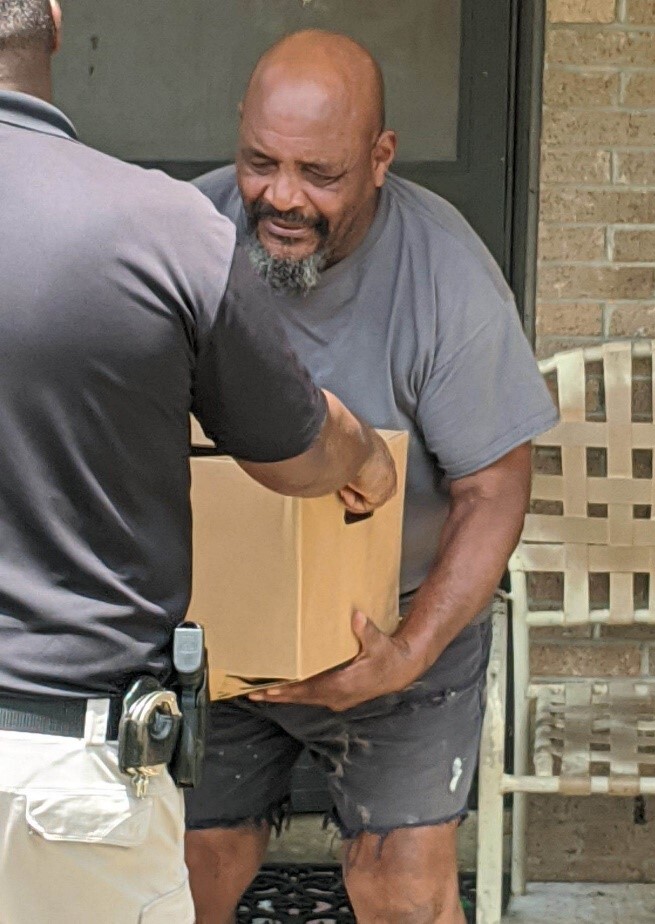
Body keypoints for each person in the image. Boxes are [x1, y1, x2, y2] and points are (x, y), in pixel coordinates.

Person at [0, 7, 397, 923]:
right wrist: (368, 458)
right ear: (56, 22)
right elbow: (297, 454)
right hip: (77, 771)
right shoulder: (163, 227)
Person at [185, 29, 559, 924]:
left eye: (320, 174)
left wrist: (409, 651)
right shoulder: (183, 238)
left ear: (381, 157)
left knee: (402, 890)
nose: (281, 196)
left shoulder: (447, 275)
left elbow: (495, 490)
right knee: (185, 872)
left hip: (395, 629)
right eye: (260, 161)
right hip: (220, 632)